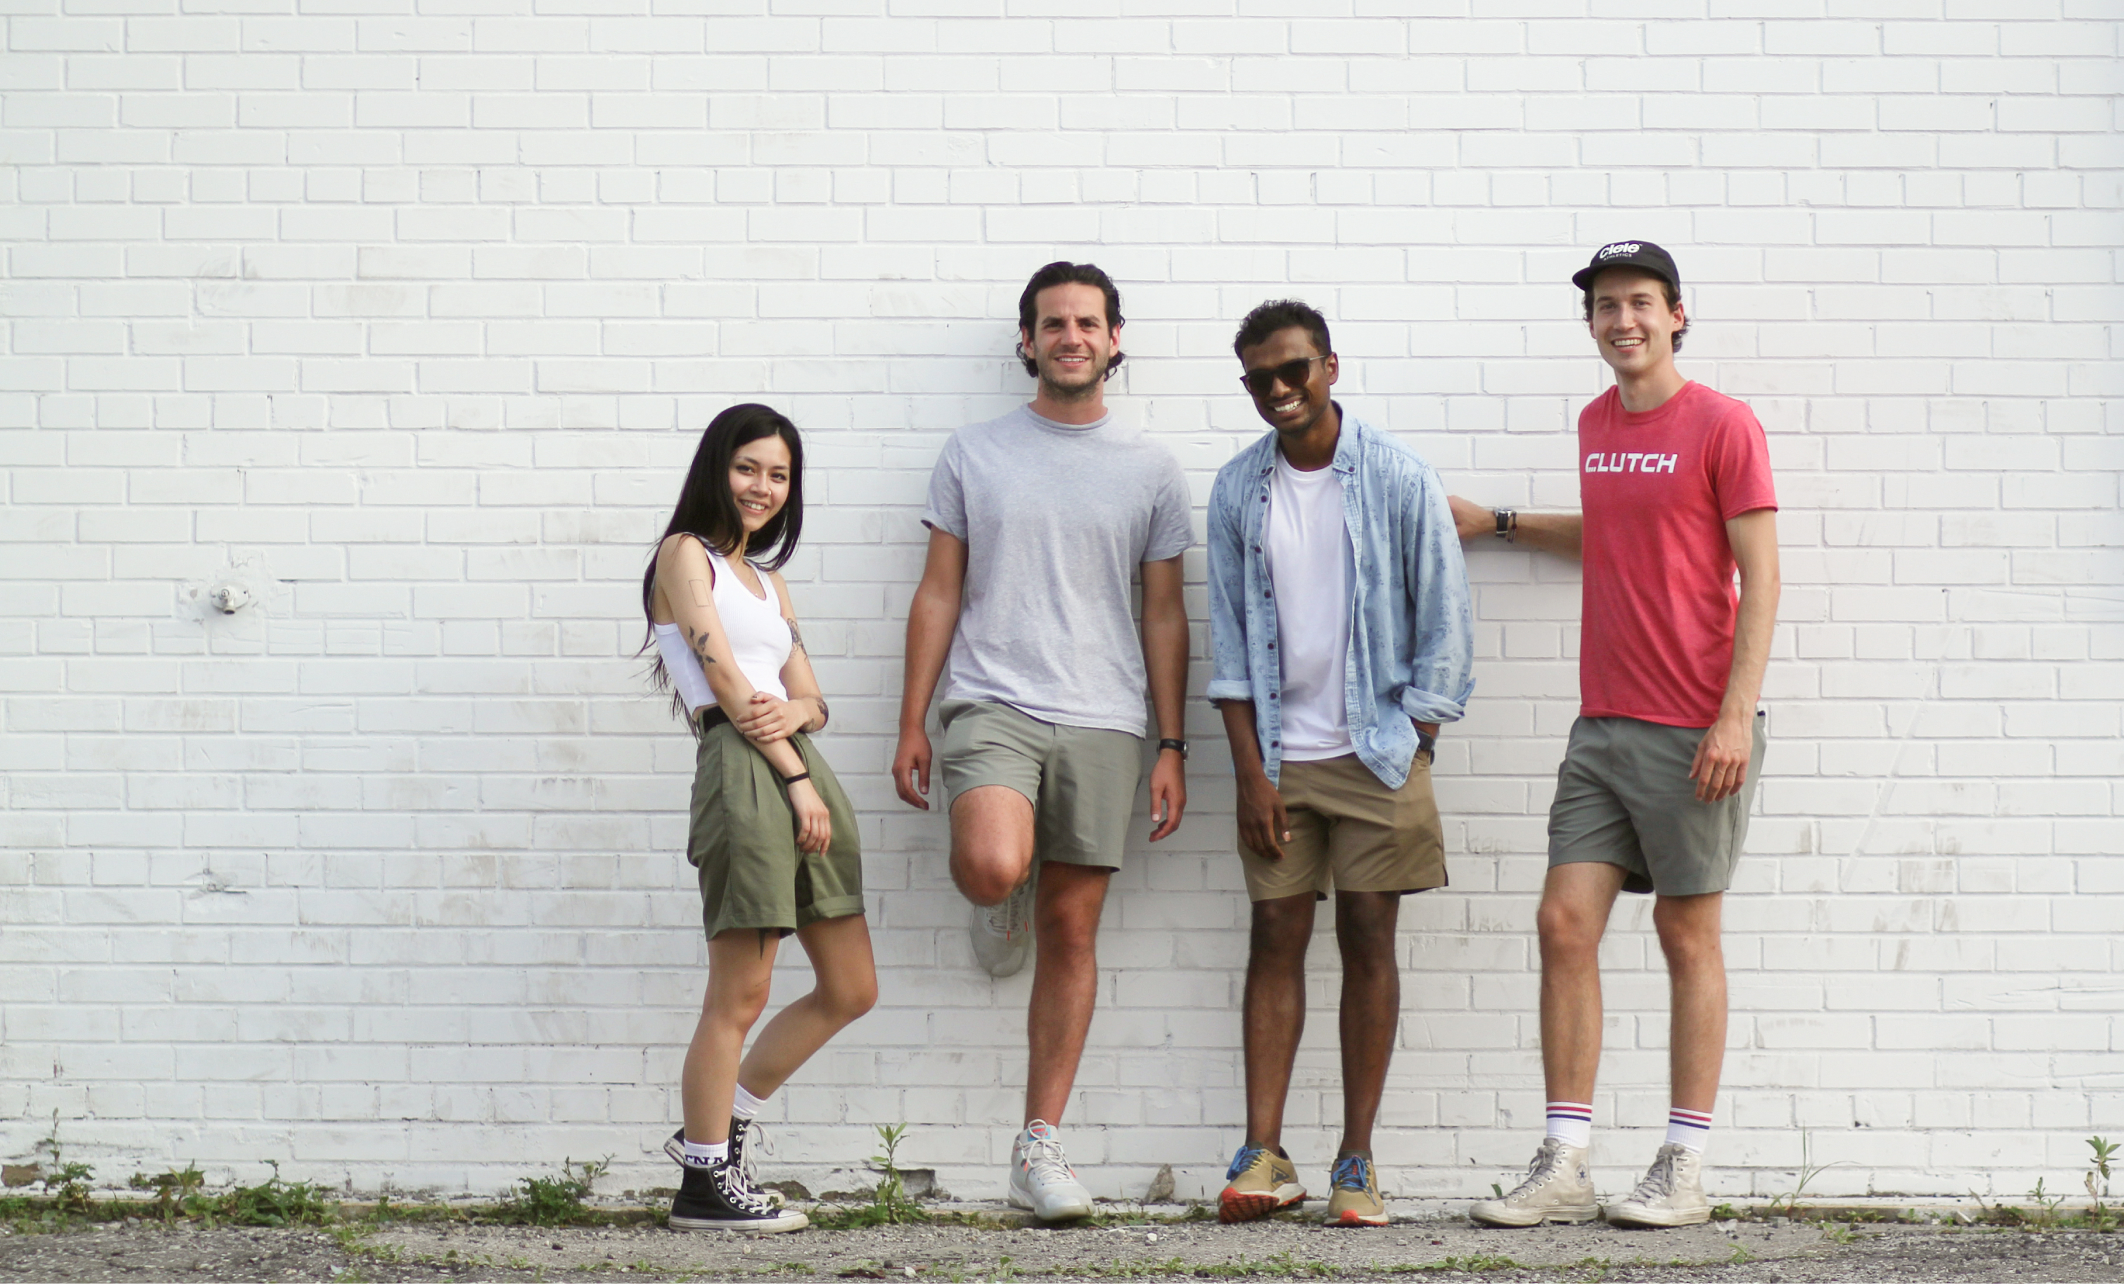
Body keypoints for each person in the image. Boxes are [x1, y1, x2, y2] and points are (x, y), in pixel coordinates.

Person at [1460, 242, 1779, 1229]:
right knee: (1564, 923)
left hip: (1695, 724)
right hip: (1602, 722)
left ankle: (1683, 1165)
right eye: (1605, 305)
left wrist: (1733, 715)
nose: (1622, 320)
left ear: (1677, 314)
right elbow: (1617, 532)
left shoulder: (1724, 425)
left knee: (1685, 933)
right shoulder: (1598, 423)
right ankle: (1566, 1161)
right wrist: (1502, 523)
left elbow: (1759, 577)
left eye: (1640, 303)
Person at [892, 261, 1193, 1220]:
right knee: (989, 862)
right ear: (1027, 341)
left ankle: (1039, 1149)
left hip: (1106, 716)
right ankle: (1000, 894)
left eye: (1088, 323)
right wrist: (913, 718)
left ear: (1114, 341)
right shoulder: (974, 452)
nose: (1071, 336)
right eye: (1053, 323)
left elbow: (1164, 616)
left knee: (1074, 930)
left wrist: (1172, 742)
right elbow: (940, 590)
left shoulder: (1151, 470)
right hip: (993, 699)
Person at [1205, 300, 1474, 1227]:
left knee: (1369, 940)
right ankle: (1264, 1155)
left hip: (1379, 753)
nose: (1278, 391)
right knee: (1273, 939)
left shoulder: (1398, 479)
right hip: (1281, 760)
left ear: (1329, 365)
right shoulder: (1239, 490)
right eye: (1259, 380)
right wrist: (1250, 773)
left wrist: (1419, 742)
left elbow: (1446, 624)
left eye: (1293, 371)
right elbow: (1233, 647)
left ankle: (1356, 1163)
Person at [642, 403, 879, 1233]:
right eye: (749, 468)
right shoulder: (684, 558)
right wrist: (795, 775)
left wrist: (803, 727)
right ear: (719, 466)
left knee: (851, 987)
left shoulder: (768, 583)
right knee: (739, 991)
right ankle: (704, 1185)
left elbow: (812, 695)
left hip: (799, 767)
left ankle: (717, 1129)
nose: (763, 487)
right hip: (747, 773)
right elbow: (734, 690)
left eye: (779, 475)